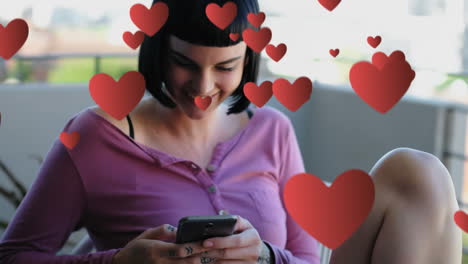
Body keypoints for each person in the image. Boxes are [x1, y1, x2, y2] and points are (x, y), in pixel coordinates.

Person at [0, 1, 462, 264]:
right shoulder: (95, 139)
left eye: (224, 68)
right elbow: (14, 257)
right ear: (158, 51)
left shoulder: (272, 132)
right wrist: (117, 263)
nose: (202, 89)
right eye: (184, 63)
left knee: (418, 172)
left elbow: (303, 260)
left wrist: (263, 256)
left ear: (248, 63)